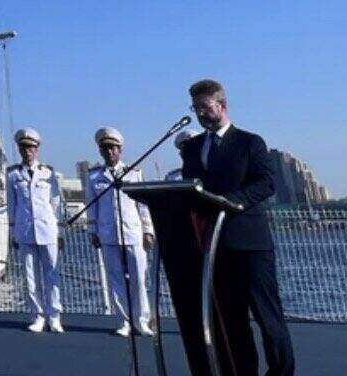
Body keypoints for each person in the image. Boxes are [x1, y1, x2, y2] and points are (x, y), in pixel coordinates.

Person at [179, 78, 295, 376]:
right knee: (231, 320)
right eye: (196, 109)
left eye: (205, 107)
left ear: (222, 105)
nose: (201, 114)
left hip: (249, 243)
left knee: (267, 317)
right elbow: (192, 188)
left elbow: (266, 182)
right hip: (214, 245)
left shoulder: (249, 142)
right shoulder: (192, 148)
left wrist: (234, 201)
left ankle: (281, 372)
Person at [85, 127, 155, 337]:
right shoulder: (94, 176)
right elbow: (91, 206)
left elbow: (143, 205)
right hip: (108, 233)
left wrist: (148, 230)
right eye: (105, 148)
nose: (109, 152)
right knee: (115, 279)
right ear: (100, 151)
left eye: (113, 148)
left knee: (139, 279)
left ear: (120, 150)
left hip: (133, 232)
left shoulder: (134, 173)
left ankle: (141, 321)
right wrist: (93, 230)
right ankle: (124, 321)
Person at [6, 127, 64, 334]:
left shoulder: (48, 173)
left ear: (37, 149)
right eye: (23, 148)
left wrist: (59, 233)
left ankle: (54, 316)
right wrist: (12, 232)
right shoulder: (13, 174)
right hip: (25, 230)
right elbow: (11, 205)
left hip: (47, 229)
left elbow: (56, 204)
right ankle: (37, 315)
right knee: (30, 276)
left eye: (30, 148)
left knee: (51, 274)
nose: (27, 151)